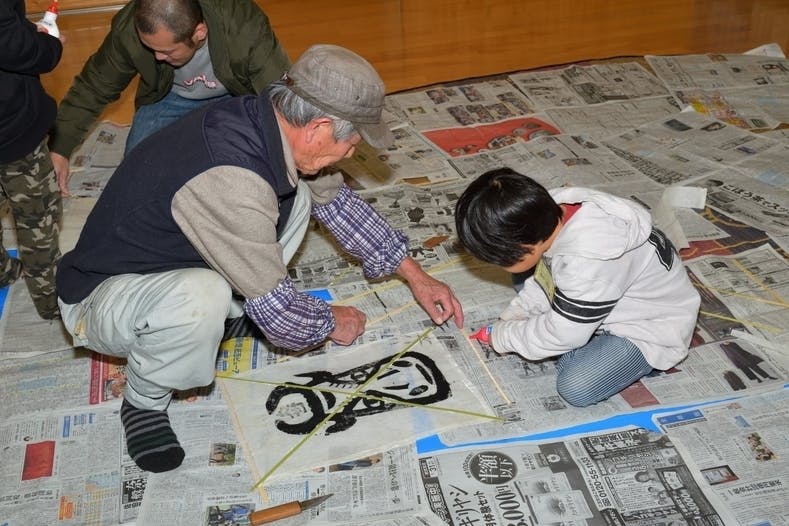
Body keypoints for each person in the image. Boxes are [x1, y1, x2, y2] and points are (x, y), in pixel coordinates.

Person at [57, 44, 464, 473]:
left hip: (170, 261)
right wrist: (330, 321)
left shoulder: (270, 120)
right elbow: (285, 321)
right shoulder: (232, 177)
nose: (351, 153)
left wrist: (416, 275)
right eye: (352, 141)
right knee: (201, 297)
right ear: (319, 127)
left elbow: (338, 204)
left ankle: (235, 310)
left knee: (302, 193)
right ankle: (144, 402)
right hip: (103, 297)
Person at [456, 167, 700, 407]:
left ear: (527, 247)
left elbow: (563, 334)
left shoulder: (587, 263)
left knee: (576, 385)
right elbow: (544, 278)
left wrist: (503, 337)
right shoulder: (553, 211)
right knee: (523, 279)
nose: (498, 267)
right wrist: (515, 315)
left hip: (649, 328)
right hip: (603, 290)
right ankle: (579, 324)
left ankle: (595, 338)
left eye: (498, 261)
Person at [48, 0, 290, 196]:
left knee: (254, 166)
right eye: (150, 48)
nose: (157, 57)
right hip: (169, 97)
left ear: (199, 32)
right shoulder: (129, 29)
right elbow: (94, 86)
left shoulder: (242, 25)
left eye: (166, 51)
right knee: (137, 170)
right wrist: (60, 147)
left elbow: (279, 94)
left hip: (235, 95)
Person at [0, 0, 65, 320]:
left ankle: (1, 270)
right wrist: (49, 45)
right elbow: (13, 45)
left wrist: (27, 29)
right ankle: (52, 301)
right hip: (12, 129)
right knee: (38, 217)